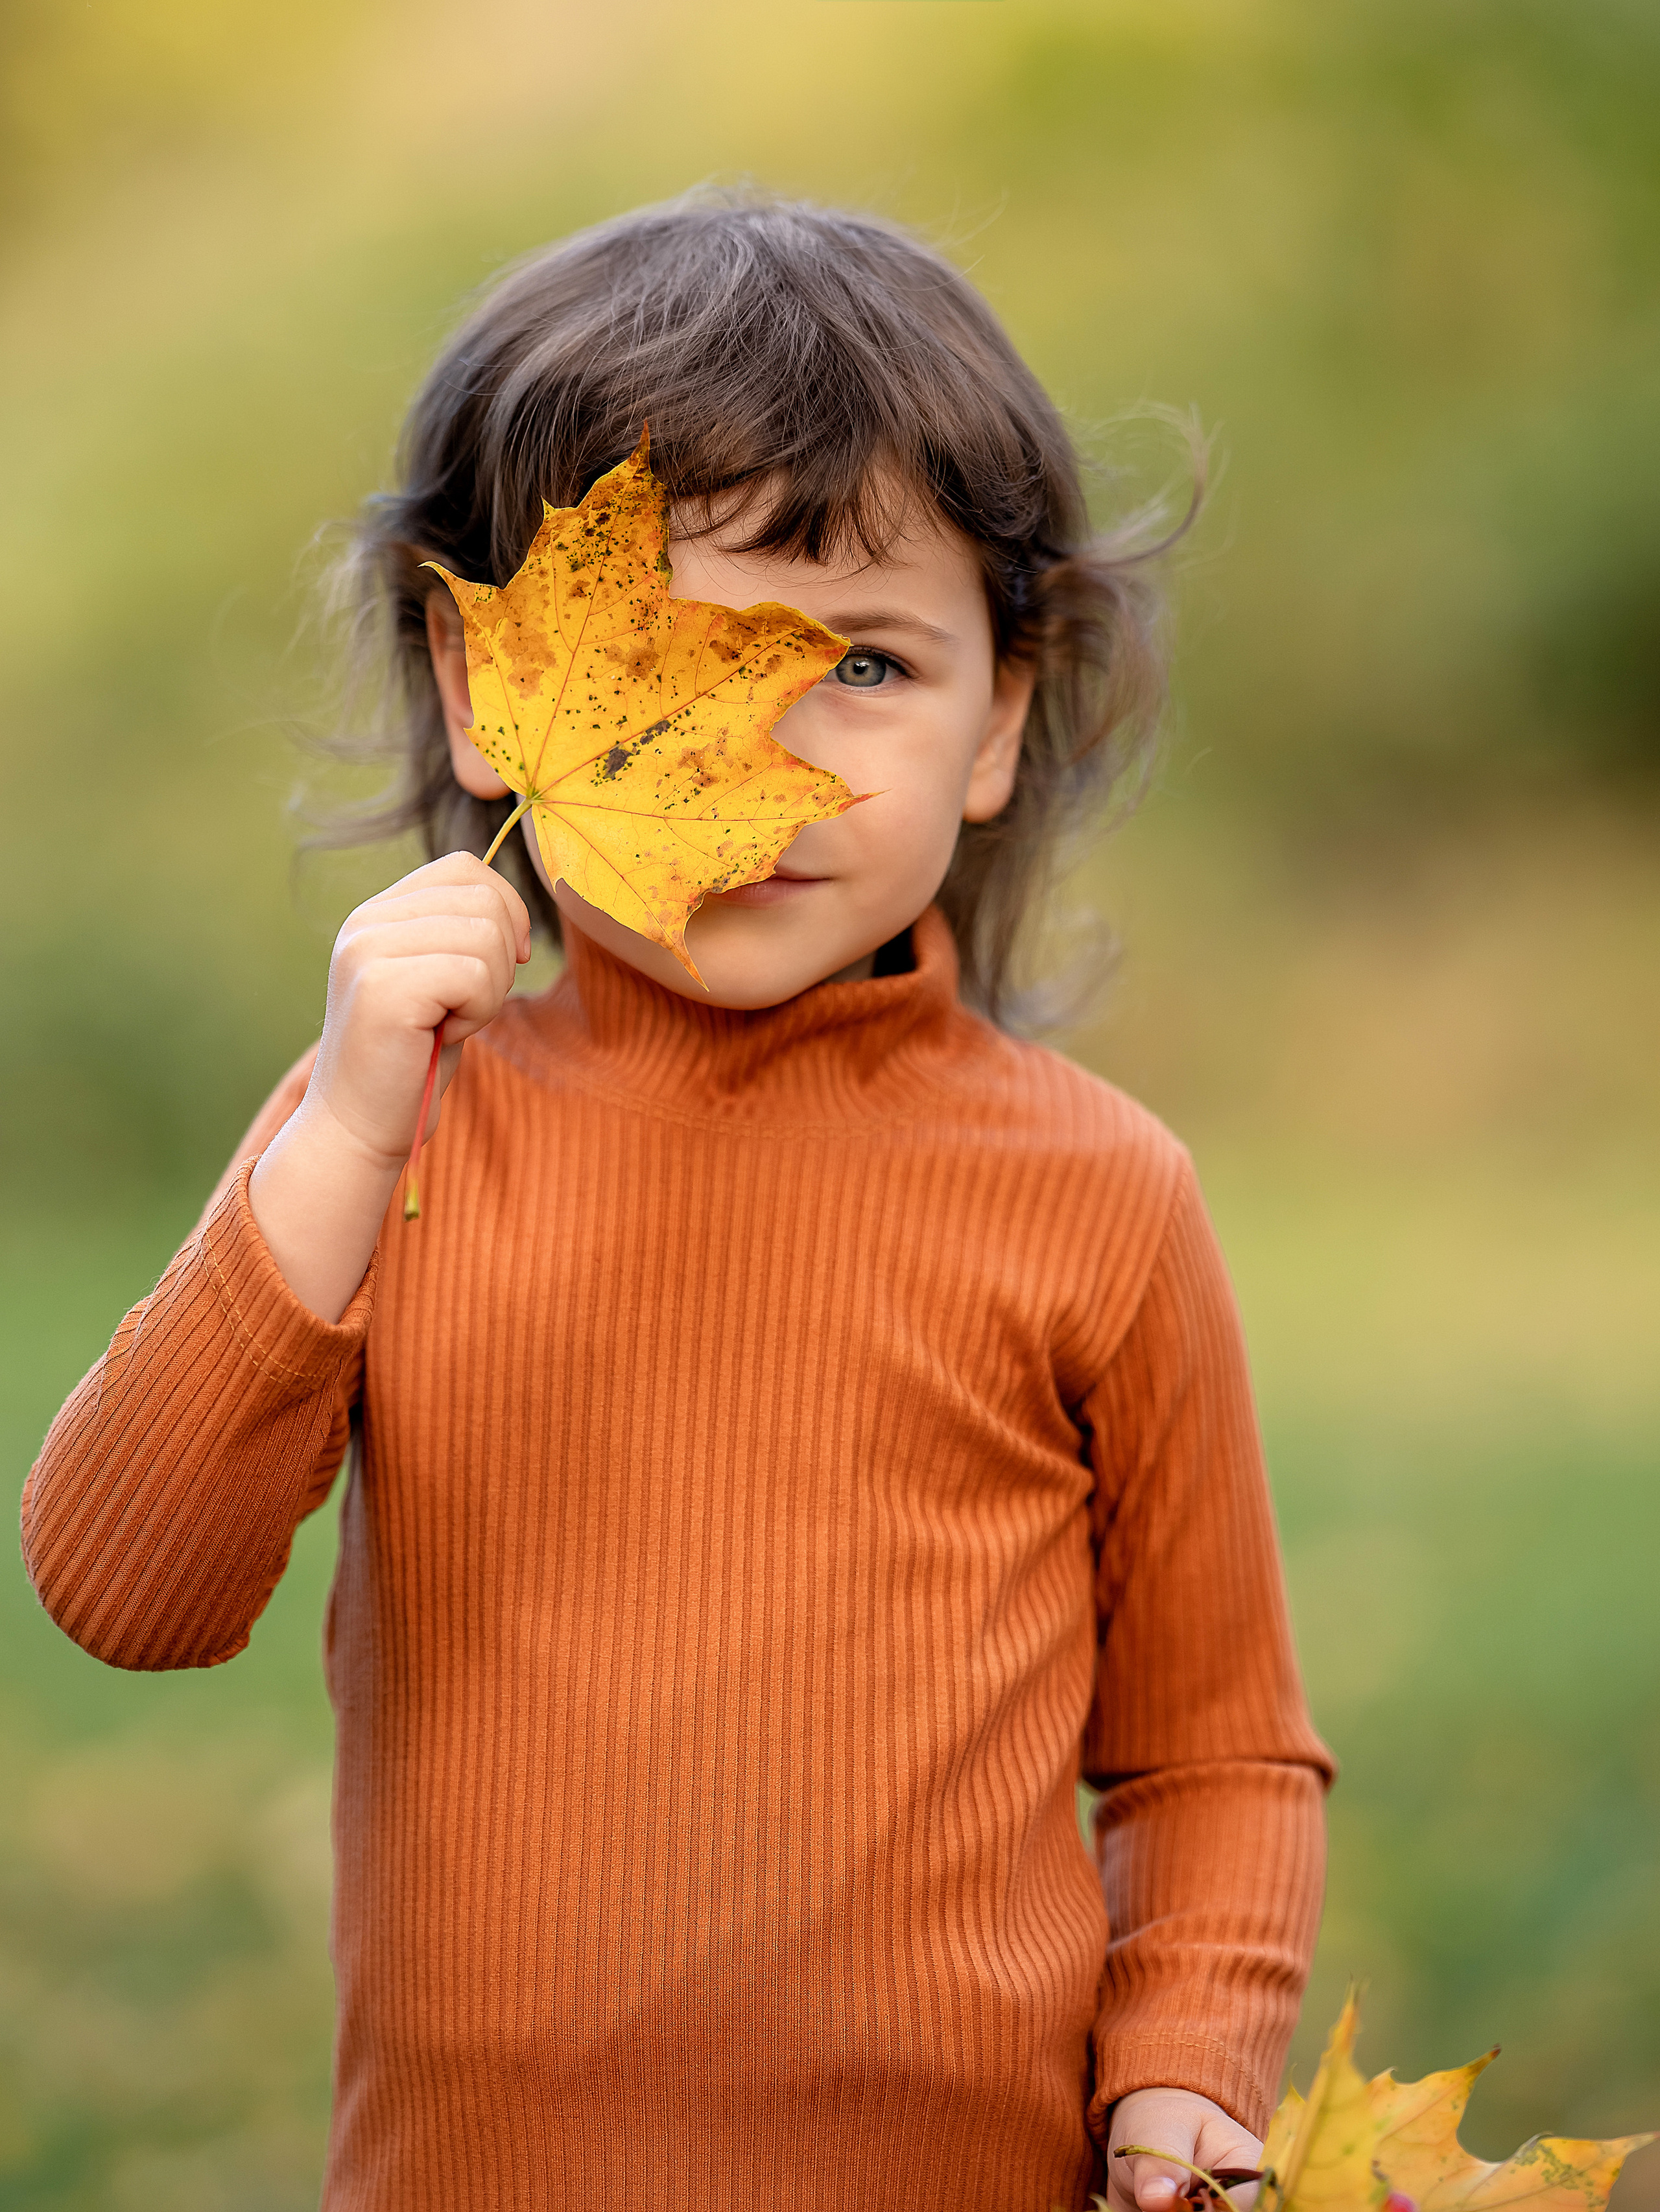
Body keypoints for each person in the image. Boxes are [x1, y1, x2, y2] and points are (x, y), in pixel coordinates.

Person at [23, 191, 1332, 2212]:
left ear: (1001, 713)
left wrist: (1185, 2071)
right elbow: (132, 1589)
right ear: (485, 693)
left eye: (871, 663)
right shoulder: (391, 1133)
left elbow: (1214, 1752)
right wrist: (346, 1147)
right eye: (689, 665)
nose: (780, 755)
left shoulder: (1095, 1194)